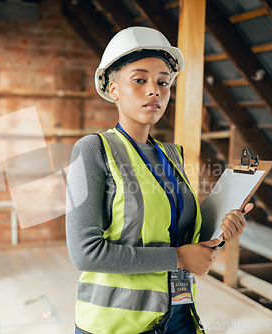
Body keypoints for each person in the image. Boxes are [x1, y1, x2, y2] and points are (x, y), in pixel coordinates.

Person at [65, 26, 253, 334]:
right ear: (113, 88)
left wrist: (221, 230)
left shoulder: (171, 156)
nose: (155, 90)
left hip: (178, 313)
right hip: (116, 325)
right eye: (139, 80)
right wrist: (179, 257)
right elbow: (86, 253)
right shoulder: (92, 150)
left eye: (163, 82)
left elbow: (176, 234)